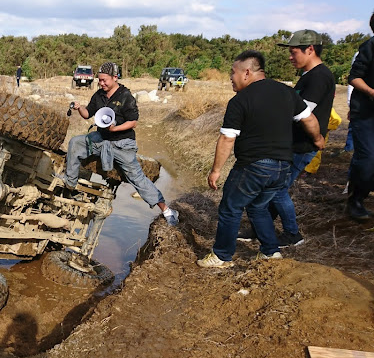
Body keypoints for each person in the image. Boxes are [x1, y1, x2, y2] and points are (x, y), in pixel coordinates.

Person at [197, 50, 323, 268]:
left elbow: (227, 139)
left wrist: (216, 170)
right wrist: (318, 138)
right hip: (283, 166)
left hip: (254, 166)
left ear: (246, 72)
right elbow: (309, 119)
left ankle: (222, 256)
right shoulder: (287, 92)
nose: (230, 77)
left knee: (230, 208)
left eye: (232, 72)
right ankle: (270, 252)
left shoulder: (240, 100)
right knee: (258, 207)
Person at [58, 62, 179, 226]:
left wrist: (115, 129)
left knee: (137, 178)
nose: (101, 83)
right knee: (76, 142)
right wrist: (79, 108)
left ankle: (167, 210)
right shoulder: (99, 95)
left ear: (115, 78)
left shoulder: (125, 96)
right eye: (99, 80)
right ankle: (70, 185)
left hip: (122, 143)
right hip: (102, 138)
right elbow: (87, 114)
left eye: (104, 80)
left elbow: (133, 122)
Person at [266, 29, 335, 246]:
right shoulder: (309, 76)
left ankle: (292, 234)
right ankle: (262, 226)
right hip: (294, 143)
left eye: (294, 52)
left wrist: (317, 139)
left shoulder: (319, 77)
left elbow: (304, 115)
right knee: (275, 187)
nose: (290, 56)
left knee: (277, 190)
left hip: (303, 145)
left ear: (310, 49)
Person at [346, 11, 374, 221]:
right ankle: (355, 200)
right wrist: (372, 92)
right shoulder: (369, 46)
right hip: (365, 113)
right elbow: (354, 77)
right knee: (368, 158)